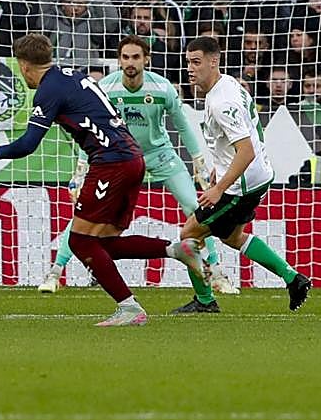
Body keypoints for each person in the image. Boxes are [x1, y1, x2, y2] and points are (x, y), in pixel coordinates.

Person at [0, 33, 205, 327]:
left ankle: (129, 308)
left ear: (24, 65)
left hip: (111, 164)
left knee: (79, 242)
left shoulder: (48, 90)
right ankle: (175, 249)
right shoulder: (72, 76)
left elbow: (27, 145)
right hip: (132, 159)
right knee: (105, 243)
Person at [42, 35, 243, 304]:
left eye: (136, 57)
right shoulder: (106, 88)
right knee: (86, 215)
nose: (130, 63)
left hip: (159, 155)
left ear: (146, 59)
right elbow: (89, 128)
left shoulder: (161, 88)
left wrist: (198, 160)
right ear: (119, 60)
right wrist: (81, 167)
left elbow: (182, 125)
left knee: (198, 208)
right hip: (118, 159)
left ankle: (217, 273)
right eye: (125, 57)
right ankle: (55, 273)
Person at [181, 36, 313, 312]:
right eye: (188, 62)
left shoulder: (221, 102)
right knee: (231, 236)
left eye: (196, 62)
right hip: (257, 176)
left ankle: (205, 301)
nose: (190, 69)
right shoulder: (227, 84)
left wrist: (219, 187)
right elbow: (236, 141)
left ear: (213, 61)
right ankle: (293, 279)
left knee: (189, 235)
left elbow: (246, 150)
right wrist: (220, 169)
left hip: (240, 184)